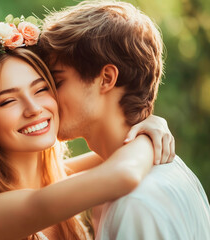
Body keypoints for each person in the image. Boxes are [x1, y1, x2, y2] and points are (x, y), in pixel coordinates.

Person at [0, 18, 173, 240]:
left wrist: (147, 124)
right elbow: (124, 174)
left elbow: (114, 150)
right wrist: (147, 134)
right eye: (8, 101)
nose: (33, 109)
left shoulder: (52, 178)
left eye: (41, 89)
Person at [38, 1, 210, 239]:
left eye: (57, 82)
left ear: (106, 78)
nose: (47, 99)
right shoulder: (140, 175)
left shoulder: (138, 202)